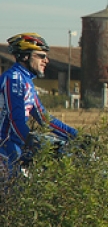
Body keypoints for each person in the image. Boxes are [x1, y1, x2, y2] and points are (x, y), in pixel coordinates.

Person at [0, 33, 78, 178]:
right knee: (15, 194)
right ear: (25, 56)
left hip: (15, 147)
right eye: (41, 56)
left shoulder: (26, 80)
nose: (46, 60)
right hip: (5, 147)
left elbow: (44, 118)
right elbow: (15, 120)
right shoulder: (14, 79)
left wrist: (76, 135)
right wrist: (33, 142)